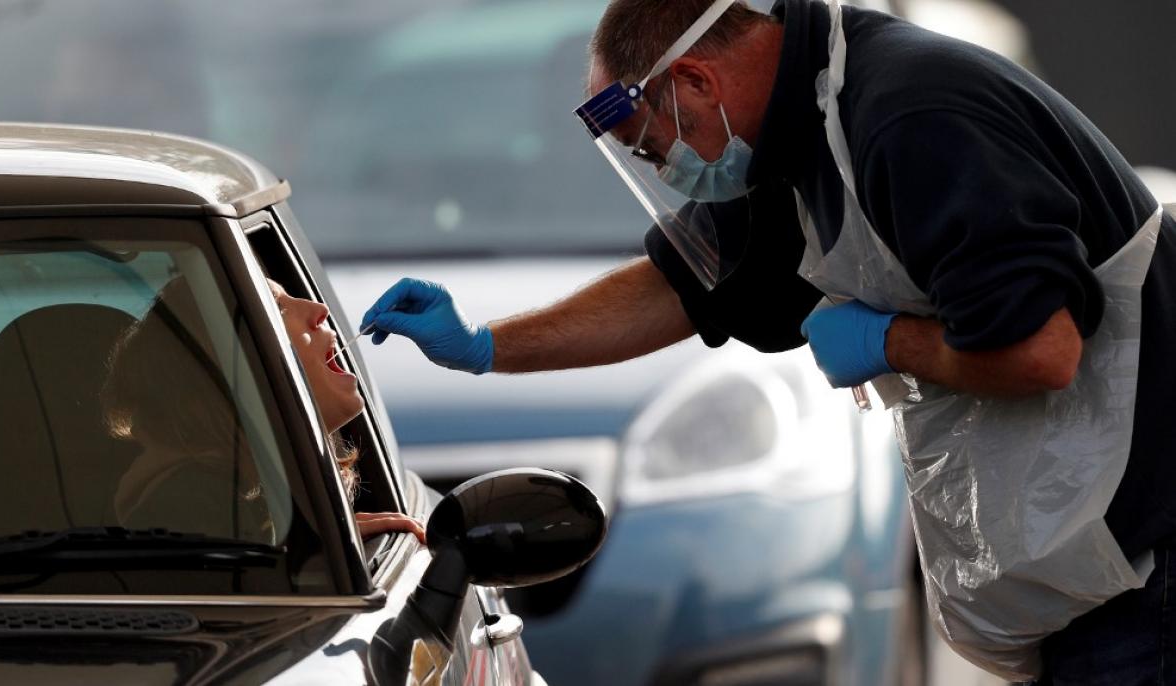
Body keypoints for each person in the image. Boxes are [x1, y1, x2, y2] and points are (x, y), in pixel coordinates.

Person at [359, 0, 1176, 683]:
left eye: (654, 145)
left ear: (694, 82)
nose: (667, 167)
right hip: (1102, 559)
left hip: (1155, 557)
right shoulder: (801, 132)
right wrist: (484, 345)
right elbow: (681, 286)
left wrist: (893, 343)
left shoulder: (910, 116)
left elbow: (1043, 352)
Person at [104, 276, 425, 544]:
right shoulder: (192, 508)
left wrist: (323, 546)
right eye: (278, 308)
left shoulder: (243, 503)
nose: (320, 309)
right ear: (231, 373)